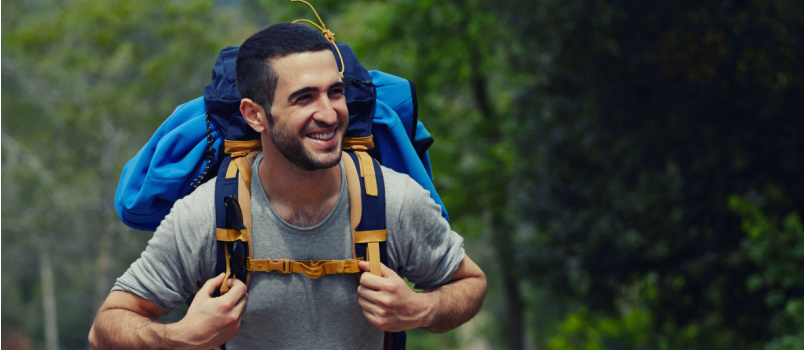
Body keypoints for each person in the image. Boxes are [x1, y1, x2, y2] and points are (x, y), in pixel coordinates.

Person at [89, 22, 486, 350]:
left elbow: (471, 283)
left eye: (335, 92)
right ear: (255, 115)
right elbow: (106, 327)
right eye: (304, 98)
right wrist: (181, 337)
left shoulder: (392, 201)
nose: (329, 114)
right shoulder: (207, 214)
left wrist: (421, 310)